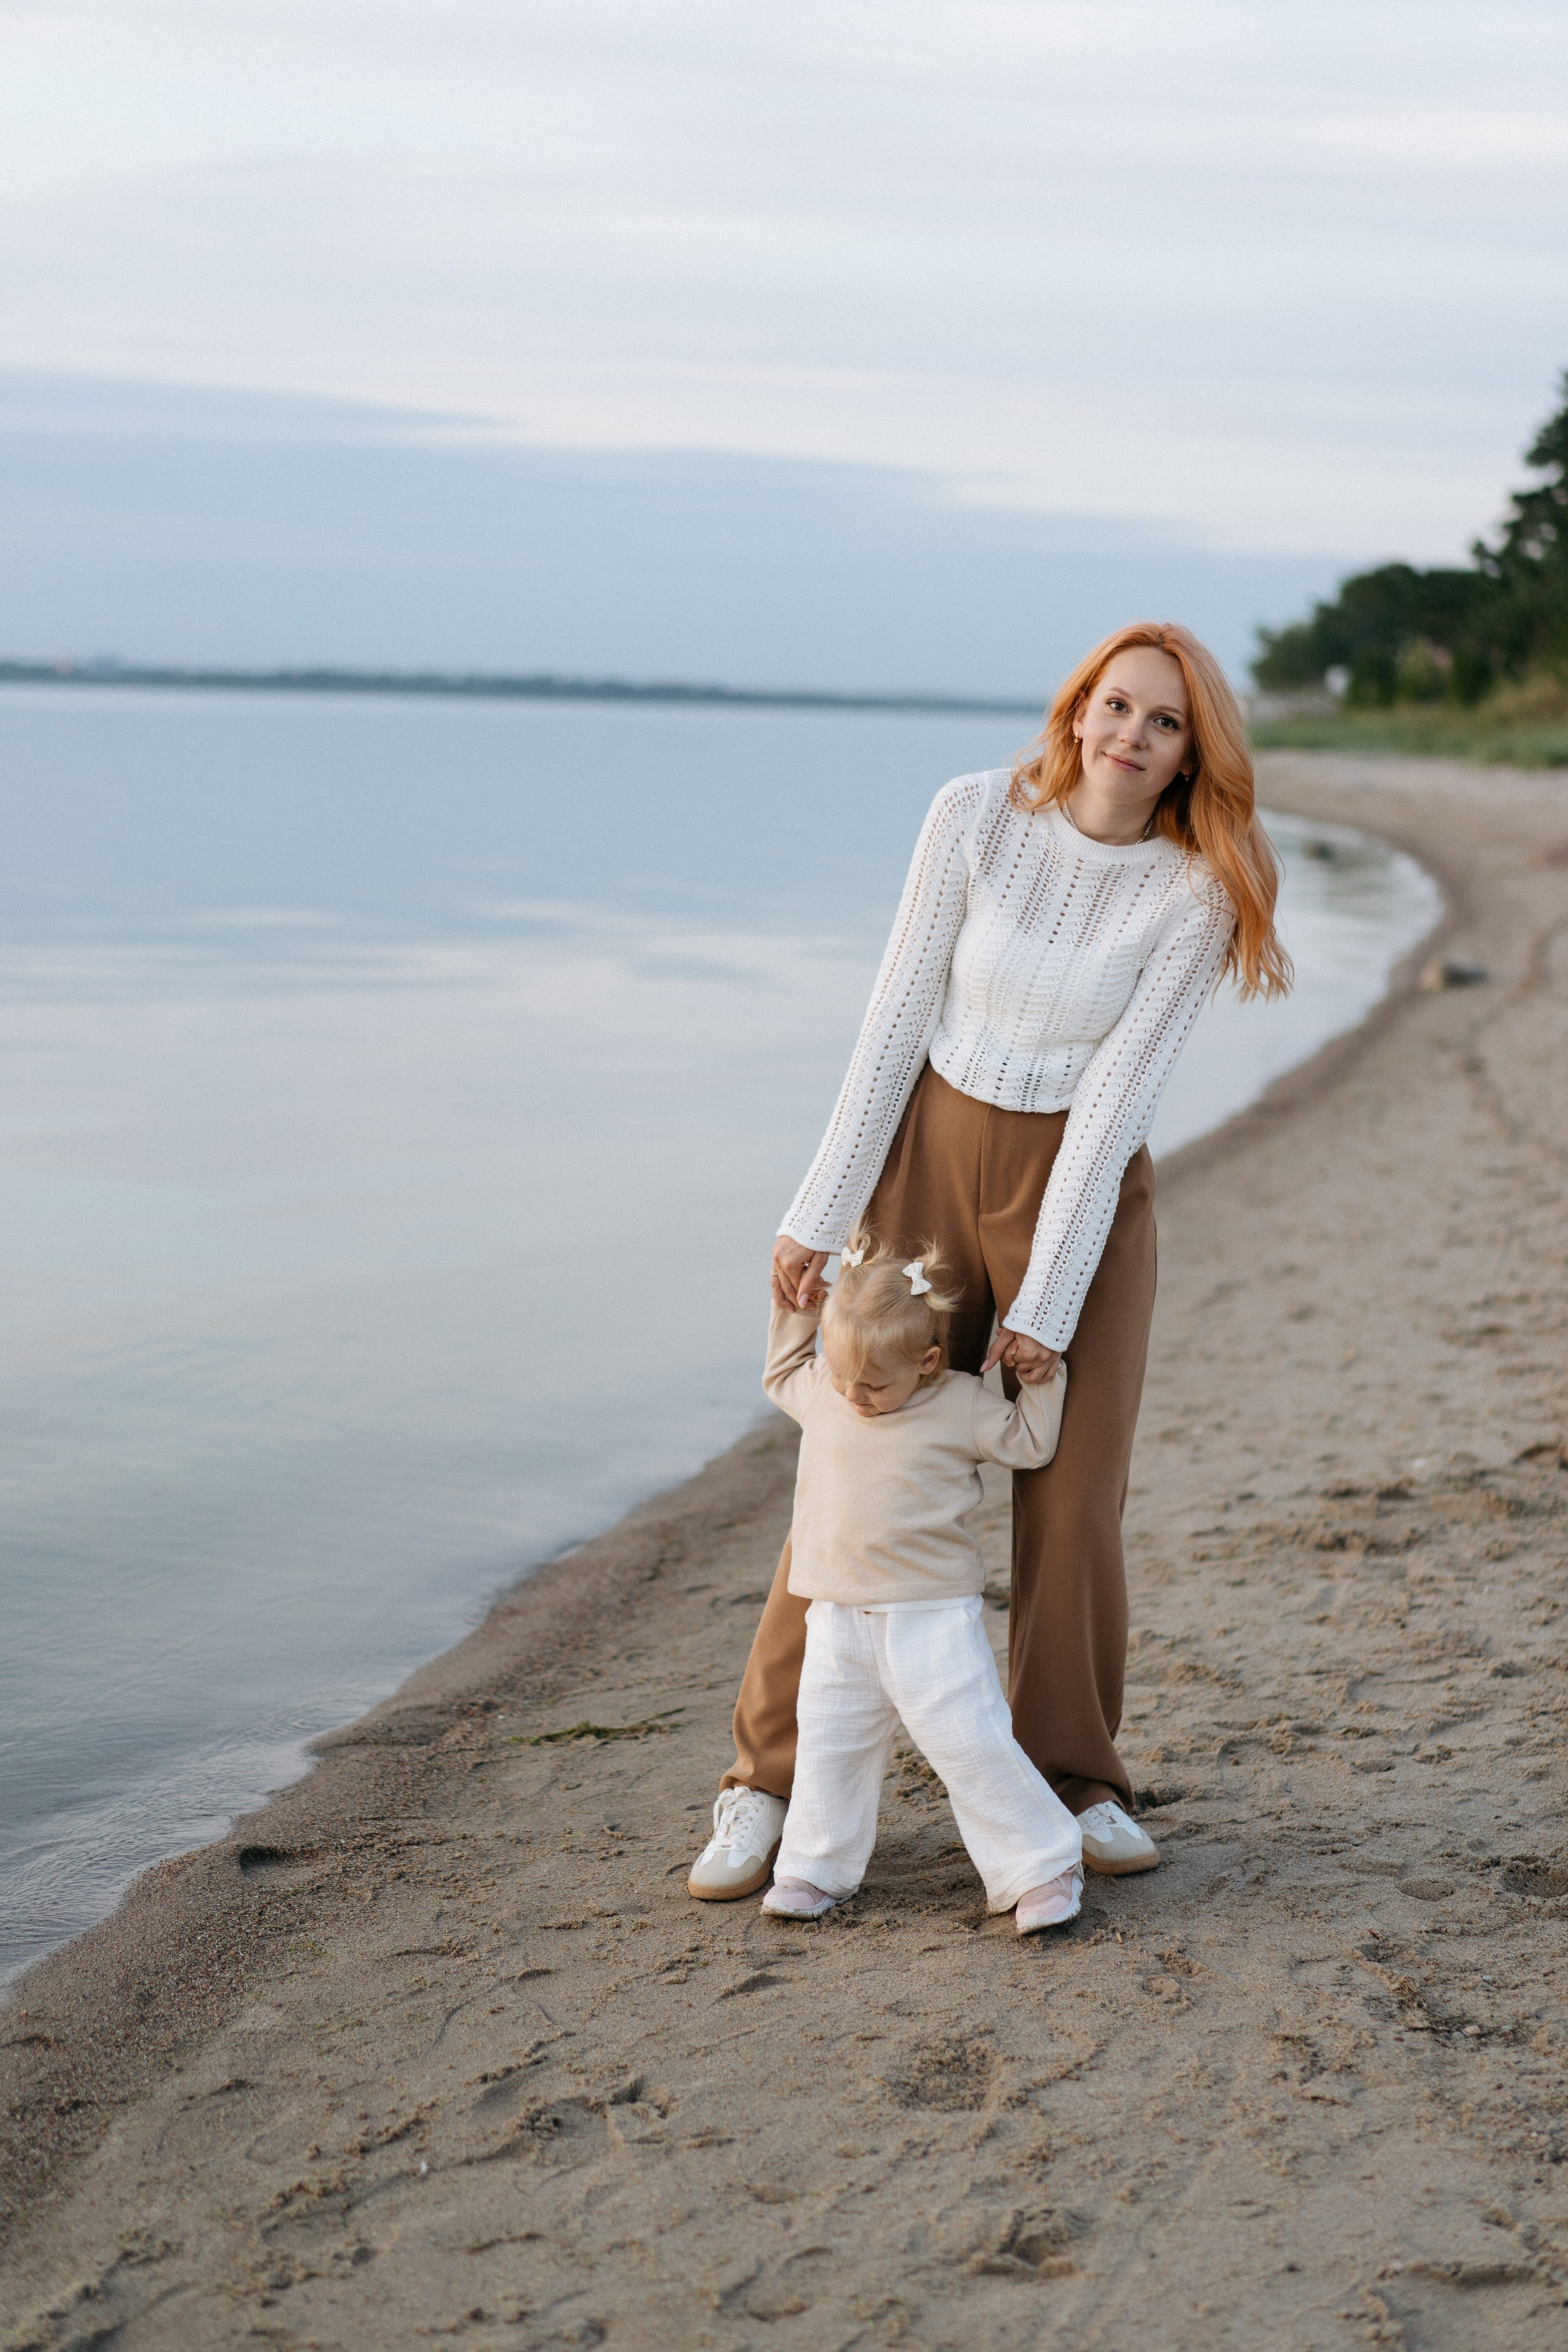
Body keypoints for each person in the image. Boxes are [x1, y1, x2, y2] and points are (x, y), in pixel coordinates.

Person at [688, 620, 1289, 1904]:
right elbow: (891, 1022)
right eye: (1114, 707)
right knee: (846, 1467)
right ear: (1077, 711)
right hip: (921, 1166)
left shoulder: (1193, 892)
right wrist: (814, 1213)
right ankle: (762, 1785)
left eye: (1162, 723)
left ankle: (1072, 1779)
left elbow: (1116, 1097)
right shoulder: (970, 815)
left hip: (1079, 1194)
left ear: (1190, 755)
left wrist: (1047, 1305)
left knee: (1072, 1498)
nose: (1129, 736)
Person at [756, 1238, 1082, 1934]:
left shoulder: (958, 1402)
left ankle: (1041, 1864)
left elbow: (1030, 1444)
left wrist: (1043, 1379)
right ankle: (814, 1867)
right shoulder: (825, 1390)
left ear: (928, 1363)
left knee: (968, 1738)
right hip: (836, 1613)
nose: (855, 1395)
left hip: (930, 1614)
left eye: (873, 1384)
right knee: (829, 1741)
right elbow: (784, 1371)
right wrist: (797, 1312)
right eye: (845, 1377)